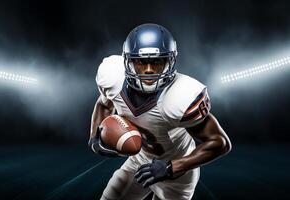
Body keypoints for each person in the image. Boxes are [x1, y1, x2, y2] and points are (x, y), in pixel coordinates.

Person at [88, 23, 231, 200]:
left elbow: (219, 142)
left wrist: (171, 168)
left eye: (157, 61)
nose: (149, 69)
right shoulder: (112, 77)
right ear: (128, 61)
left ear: (170, 61)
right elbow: (104, 103)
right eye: (141, 61)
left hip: (178, 176)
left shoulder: (181, 96)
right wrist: (95, 137)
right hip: (139, 162)